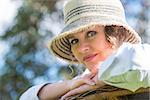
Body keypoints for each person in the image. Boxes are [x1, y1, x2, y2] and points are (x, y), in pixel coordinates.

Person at [20, 0, 150, 100]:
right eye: (74, 41)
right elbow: (27, 97)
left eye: (91, 33)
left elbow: (136, 63)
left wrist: (100, 80)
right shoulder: (81, 83)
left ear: (116, 33)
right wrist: (69, 85)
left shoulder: (140, 56)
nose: (82, 48)